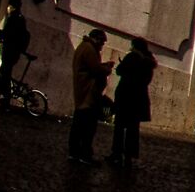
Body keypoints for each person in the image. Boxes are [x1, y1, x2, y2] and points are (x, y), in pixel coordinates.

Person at [108, 37, 156, 167]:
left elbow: (119, 71)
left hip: (126, 96)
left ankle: (116, 154)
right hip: (139, 98)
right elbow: (147, 80)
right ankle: (129, 156)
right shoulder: (148, 62)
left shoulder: (132, 57)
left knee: (119, 127)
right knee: (133, 129)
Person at [67, 29, 108, 164]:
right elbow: (95, 69)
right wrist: (106, 68)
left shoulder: (83, 47)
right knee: (87, 126)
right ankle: (84, 154)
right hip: (88, 93)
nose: (102, 45)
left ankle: (74, 152)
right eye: (102, 42)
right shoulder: (89, 49)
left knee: (79, 124)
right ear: (96, 39)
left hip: (83, 91)